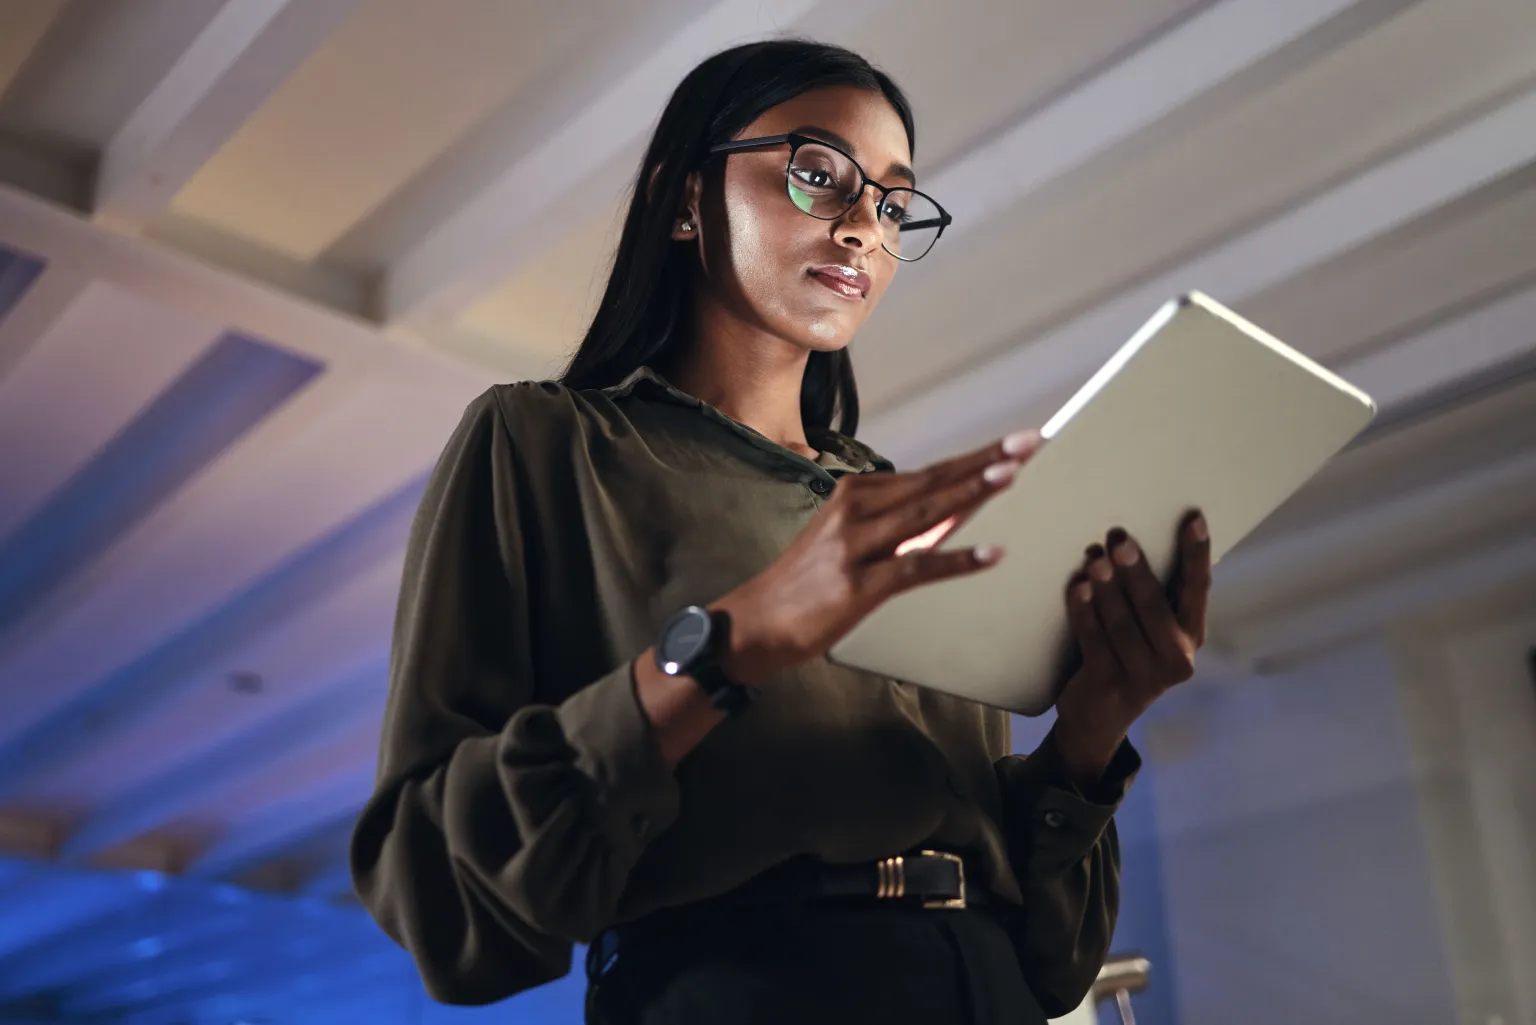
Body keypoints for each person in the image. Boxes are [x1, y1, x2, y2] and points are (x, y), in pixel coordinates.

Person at [350, 38, 1211, 1025]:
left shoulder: (889, 498)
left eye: (891, 203)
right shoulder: (549, 442)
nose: (864, 230)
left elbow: (1058, 961)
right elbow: (435, 895)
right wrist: (730, 644)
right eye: (818, 175)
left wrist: (1091, 733)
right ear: (683, 199)